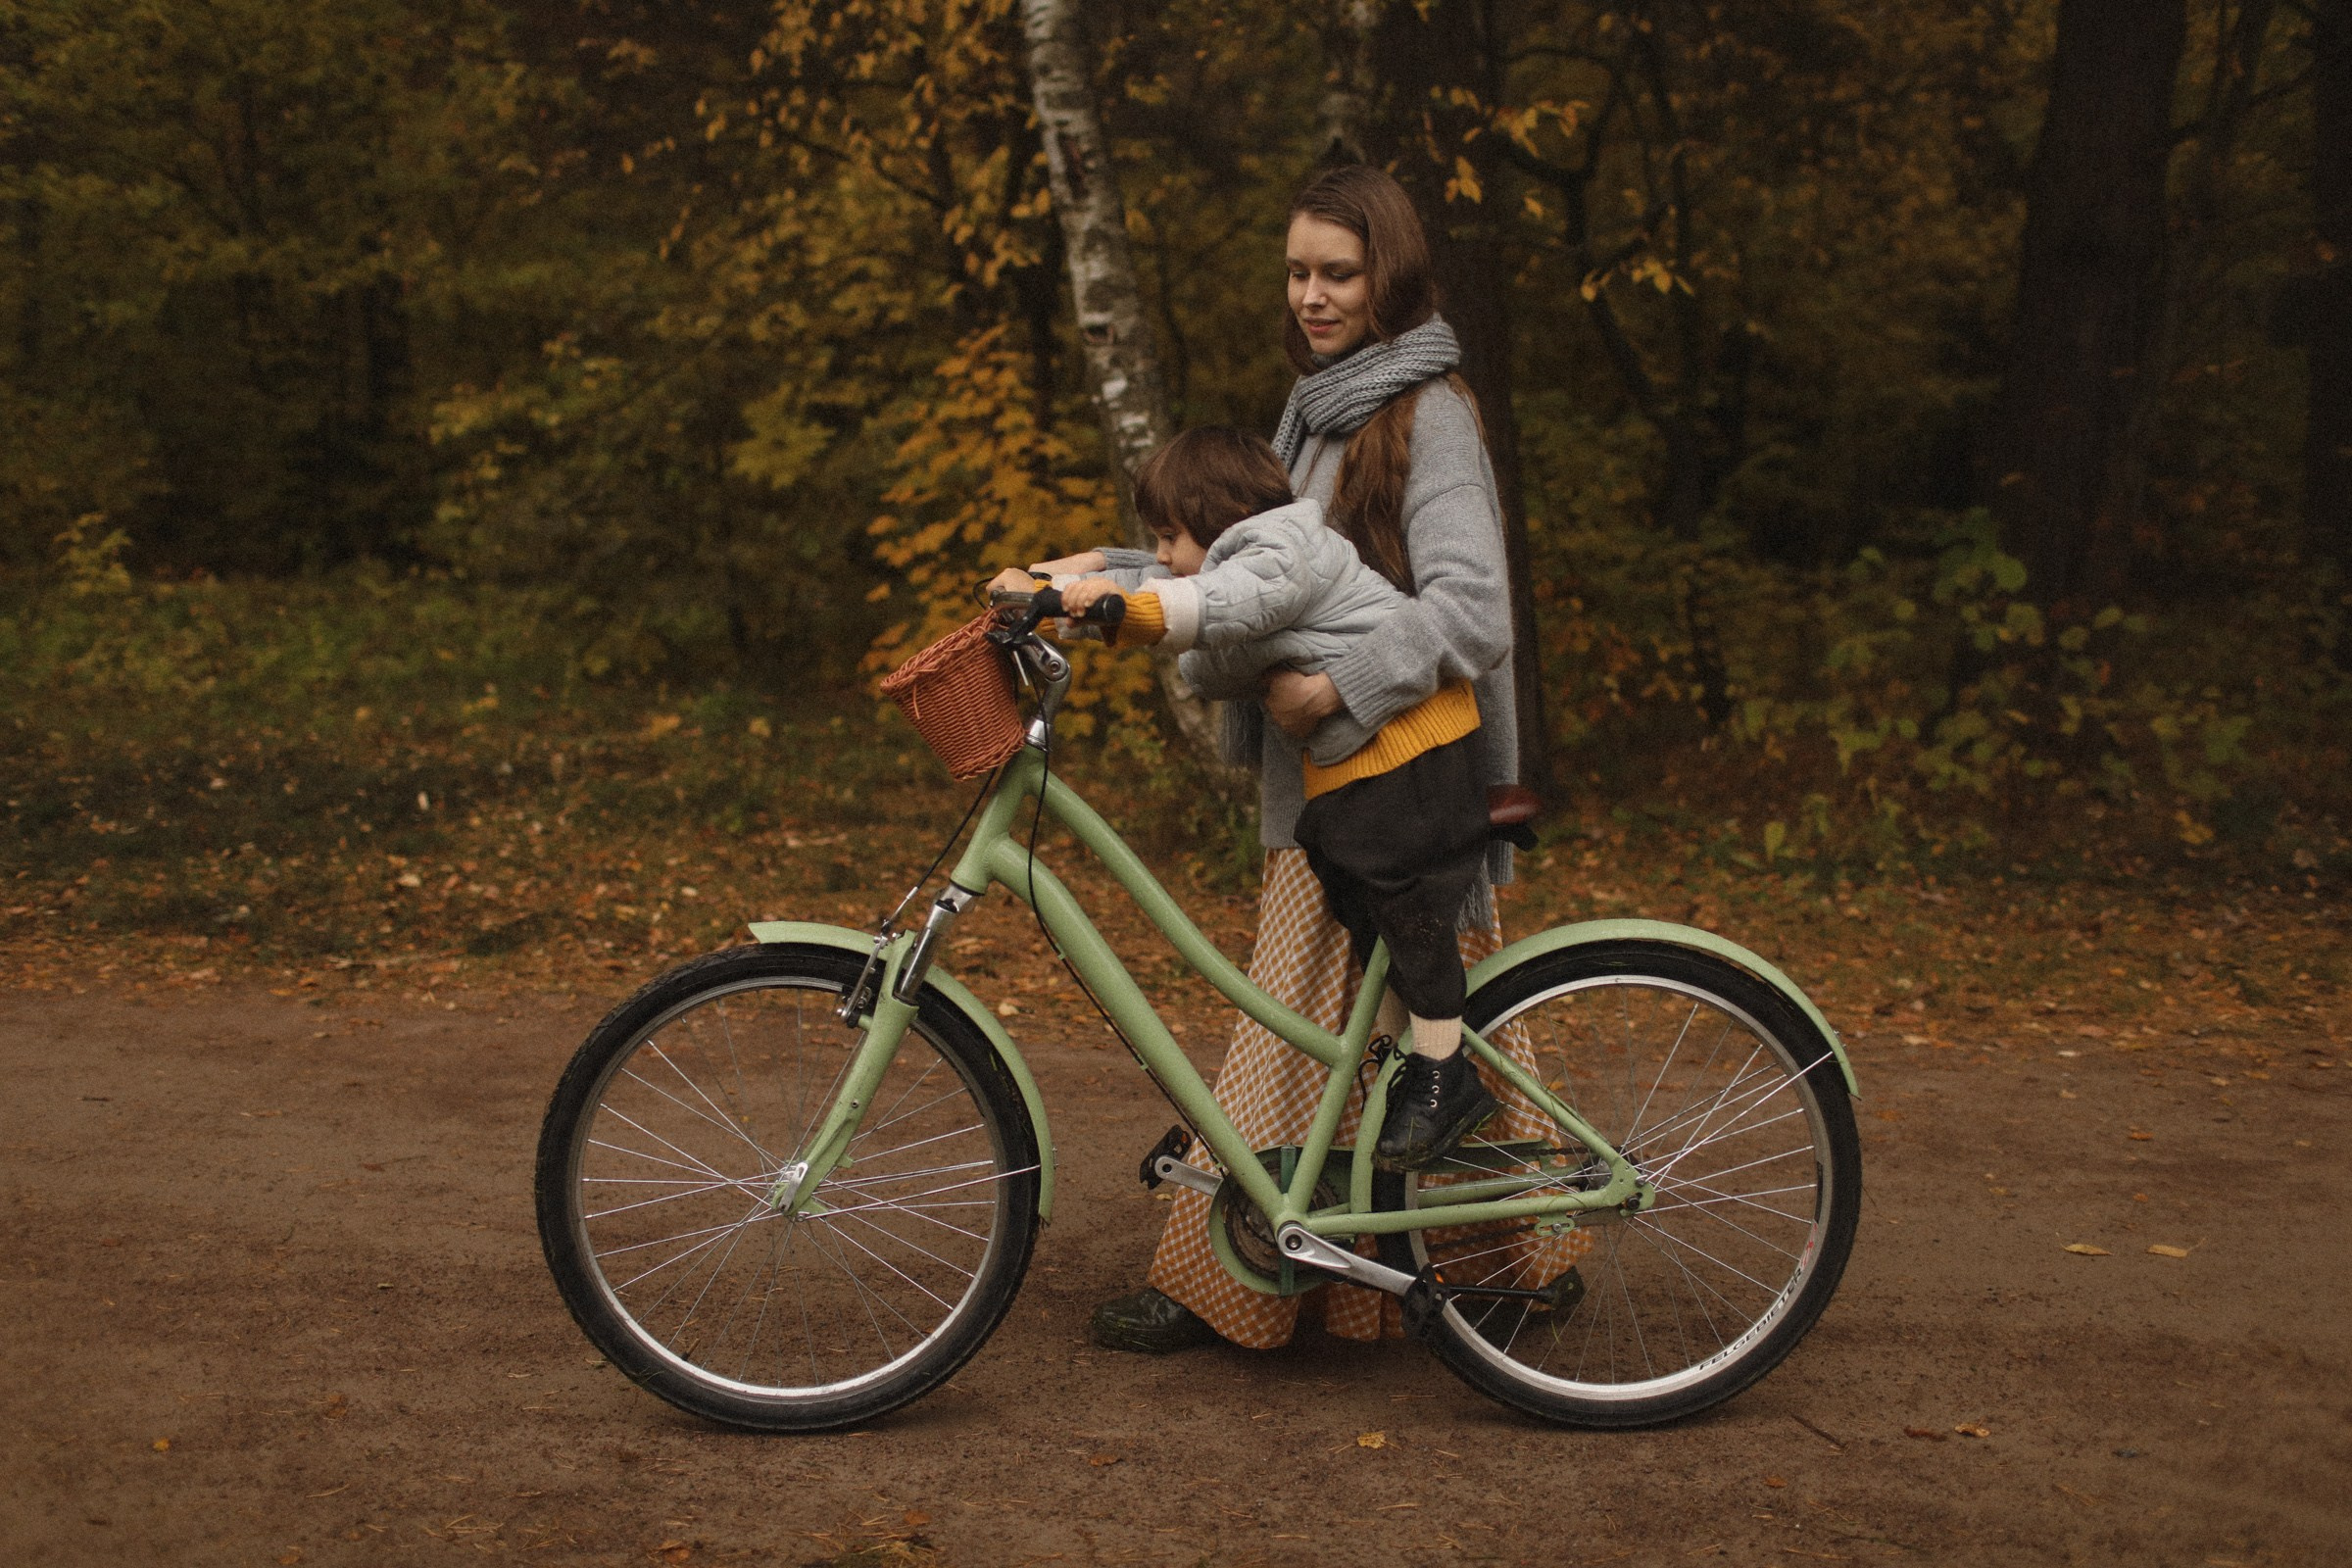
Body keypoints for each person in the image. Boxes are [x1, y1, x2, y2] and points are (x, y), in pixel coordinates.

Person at [1029, 164, 1545, 1354]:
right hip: (1324, 779)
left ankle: (1271, 1275)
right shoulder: (1315, 409)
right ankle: (1425, 1270)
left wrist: (1340, 684)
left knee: (1347, 1025)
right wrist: (1089, 575)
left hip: (1396, 771)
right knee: (1324, 1026)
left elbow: (1472, 611)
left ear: (1390, 277)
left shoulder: (1432, 417)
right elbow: (1238, 565)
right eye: (1298, 273)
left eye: (1338, 273)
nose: (1312, 296)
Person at [994, 425, 1500, 1170]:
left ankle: (1444, 1072)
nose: (1160, 554)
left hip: (1417, 752)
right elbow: (1197, 625)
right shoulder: (1247, 558)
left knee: (1403, 904)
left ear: (1221, 517)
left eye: (1169, 535)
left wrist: (1126, 604)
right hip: (1362, 772)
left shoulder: (1283, 551)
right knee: (1367, 913)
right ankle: (1406, 1064)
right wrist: (1064, 585)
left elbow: (1221, 602)